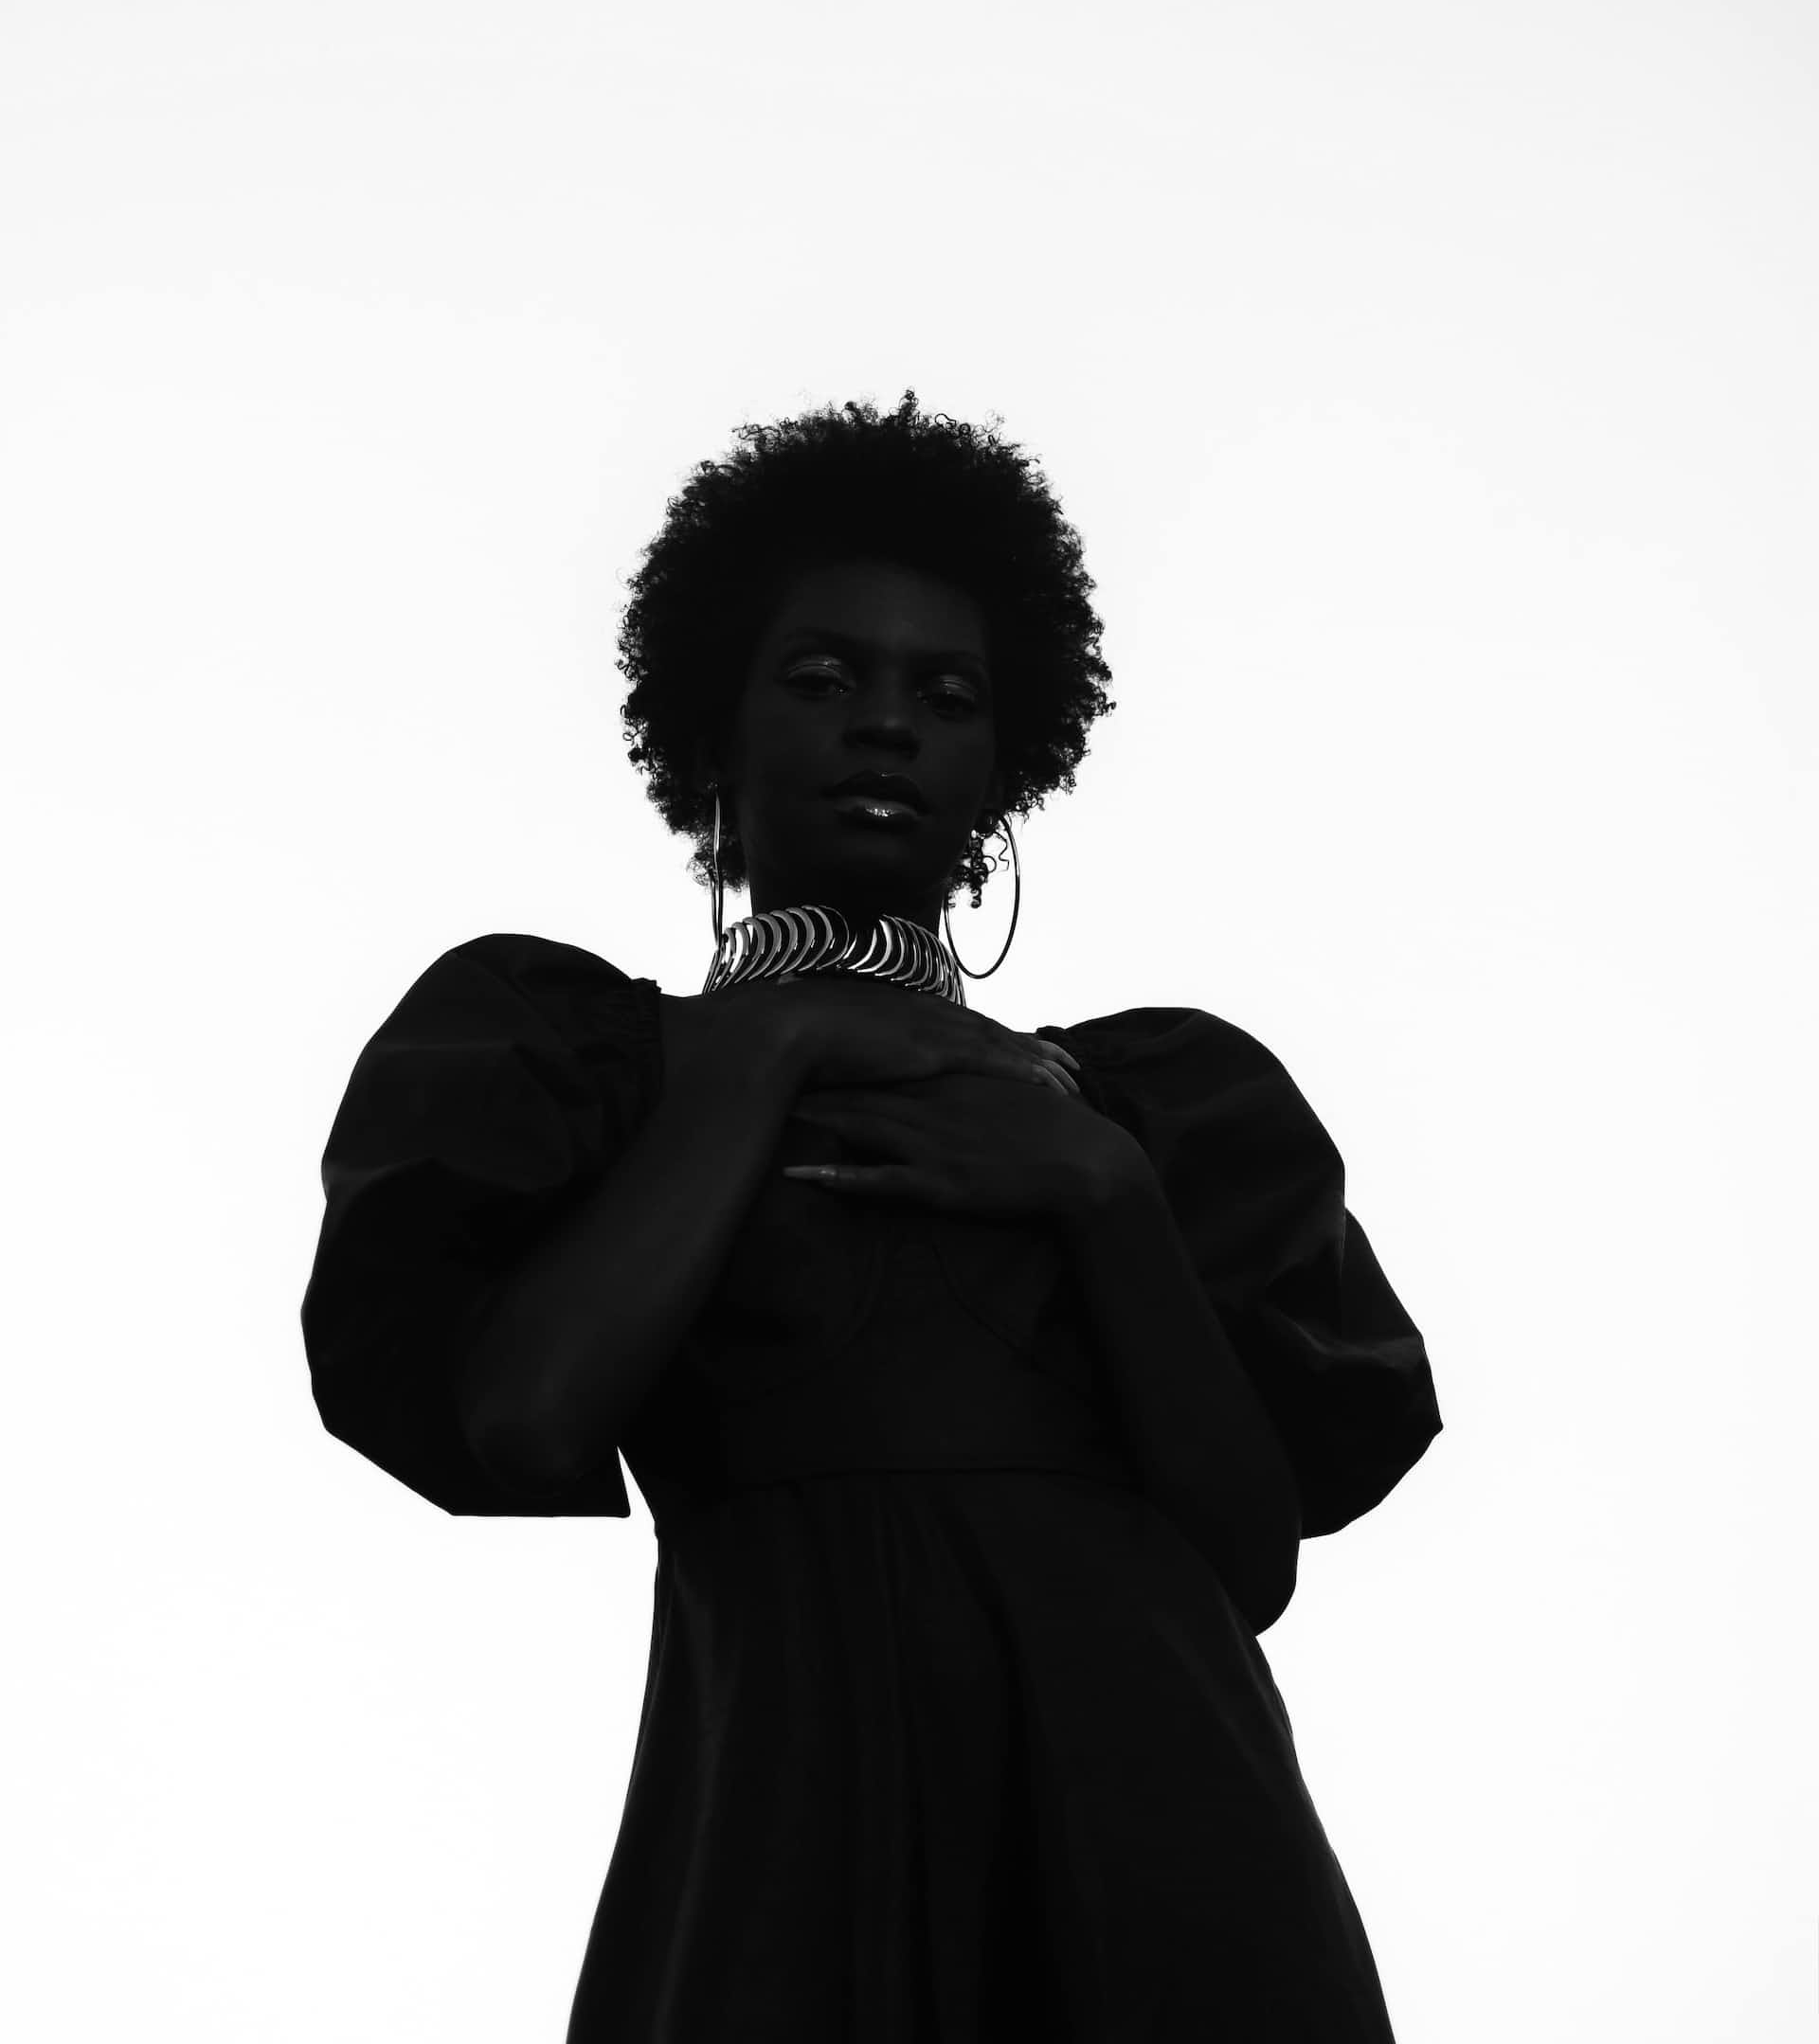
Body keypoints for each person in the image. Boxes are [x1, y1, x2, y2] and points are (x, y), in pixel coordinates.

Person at [300, 389, 1444, 2041]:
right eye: (824, 679)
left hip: (1169, 1837)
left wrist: (1106, 1196)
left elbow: (1245, 1564)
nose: (889, 726)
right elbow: (530, 1415)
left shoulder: (1153, 1109)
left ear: (1003, 768)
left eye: (946, 696)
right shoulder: (588, 1062)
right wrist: (770, 1048)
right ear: (713, 736)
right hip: (789, 1821)